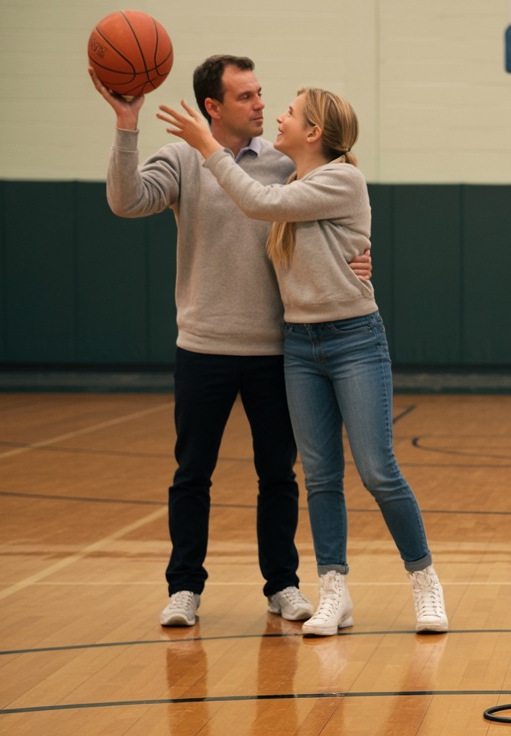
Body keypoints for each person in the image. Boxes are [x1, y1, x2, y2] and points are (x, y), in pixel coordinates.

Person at [156, 87, 448, 637]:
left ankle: (424, 581)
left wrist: (205, 144)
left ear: (313, 133)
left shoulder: (341, 178)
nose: (278, 118)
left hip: (354, 340)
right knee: (319, 477)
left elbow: (260, 205)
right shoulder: (291, 182)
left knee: (378, 470)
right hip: (298, 346)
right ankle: (334, 591)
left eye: (288, 112)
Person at [93, 54, 371, 627]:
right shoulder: (181, 159)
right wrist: (127, 125)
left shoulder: (284, 164)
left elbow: (335, 223)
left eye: (262, 93)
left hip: (277, 349)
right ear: (212, 107)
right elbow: (126, 201)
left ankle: (283, 584)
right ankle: (185, 588)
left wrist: (359, 260)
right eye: (246, 97)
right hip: (203, 345)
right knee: (192, 473)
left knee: (279, 476)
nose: (261, 104)